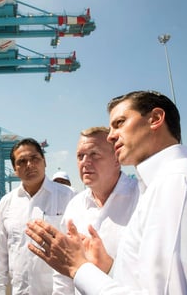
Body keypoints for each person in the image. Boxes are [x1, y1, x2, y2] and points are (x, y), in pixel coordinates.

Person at [26, 90, 187, 294]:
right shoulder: (162, 184)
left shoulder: (177, 183)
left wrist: (79, 268)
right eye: (80, 156)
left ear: (155, 119)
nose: (111, 136)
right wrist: (109, 268)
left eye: (120, 122)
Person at [53, 126, 139, 294]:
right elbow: (64, 271)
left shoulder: (142, 199)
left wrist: (109, 269)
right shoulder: (74, 206)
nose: (85, 162)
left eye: (94, 154)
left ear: (117, 158)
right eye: (80, 156)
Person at [0, 137, 76, 295]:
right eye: (21, 162)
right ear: (15, 169)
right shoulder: (6, 203)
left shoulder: (69, 197)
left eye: (34, 158)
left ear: (44, 161)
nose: (29, 165)